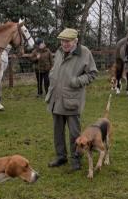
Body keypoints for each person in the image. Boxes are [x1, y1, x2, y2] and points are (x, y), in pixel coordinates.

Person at [45, 28, 97, 171]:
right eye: (62, 41)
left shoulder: (85, 53)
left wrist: (76, 81)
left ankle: (76, 159)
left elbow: (92, 74)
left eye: (67, 41)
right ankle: (61, 156)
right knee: (57, 131)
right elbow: (55, 69)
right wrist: (52, 75)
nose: (64, 44)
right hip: (56, 98)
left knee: (74, 132)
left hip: (72, 100)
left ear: (75, 41)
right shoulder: (60, 52)